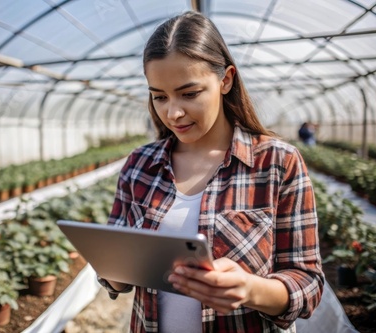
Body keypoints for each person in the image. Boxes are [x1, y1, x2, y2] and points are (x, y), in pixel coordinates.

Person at [98, 11, 324, 333]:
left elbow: (308, 284)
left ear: (225, 80)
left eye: (189, 94)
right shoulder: (140, 165)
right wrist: (115, 273)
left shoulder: (276, 163)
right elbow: (115, 270)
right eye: (159, 97)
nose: (173, 113)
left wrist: (250, 289)